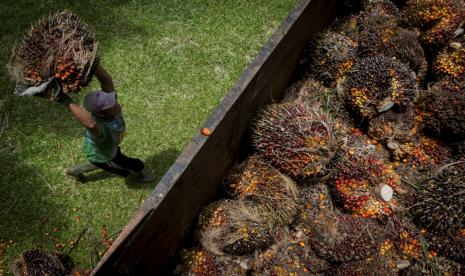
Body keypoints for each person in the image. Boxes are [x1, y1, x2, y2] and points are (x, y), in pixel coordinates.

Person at [58, 66, 155, 183]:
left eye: (114, 101)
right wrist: (65, 101)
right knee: (134, 165)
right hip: (106, 156)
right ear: (103, 114)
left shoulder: (108, 111)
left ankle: (74, 171)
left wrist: (94, 65)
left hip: (105, 151)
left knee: (97, 161)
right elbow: (90, 125)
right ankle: (138, 175)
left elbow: (106, 81)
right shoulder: (100, 129)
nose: (117, 104)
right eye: (112, 105)